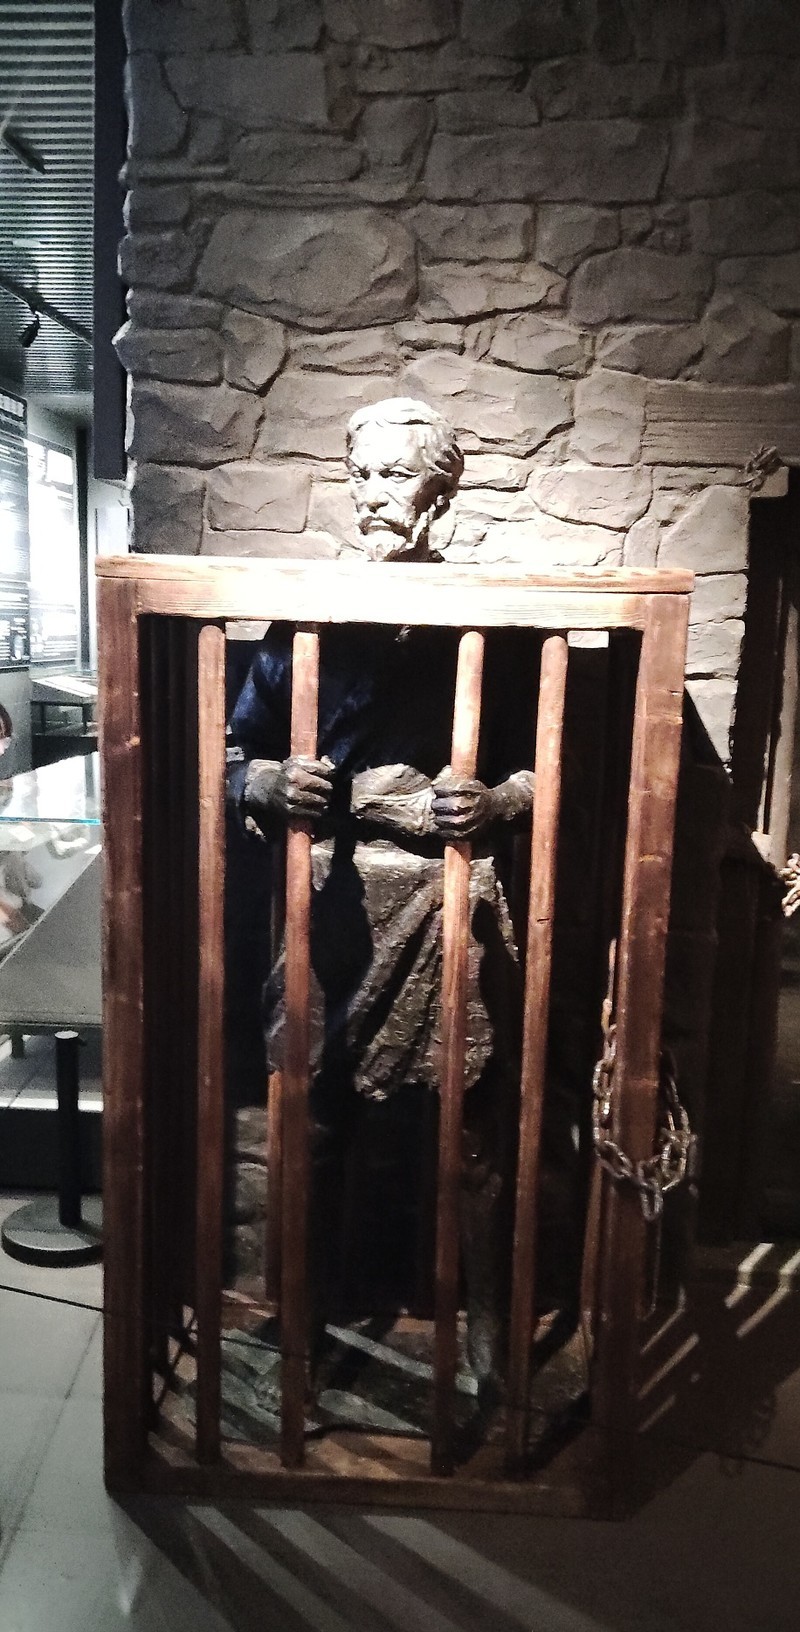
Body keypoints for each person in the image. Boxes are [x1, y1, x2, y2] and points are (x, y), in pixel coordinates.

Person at [227, 399, 539, 1413]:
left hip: (449, 898)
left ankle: (486, 1329)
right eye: (360, 475)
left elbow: (545, 765)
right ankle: (302, 1326)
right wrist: (267, 783)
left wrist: (498, 801)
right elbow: (235, 752)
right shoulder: (309, 616)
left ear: (440, 491)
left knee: (471, 1132)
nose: (372, 495)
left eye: (395, 476)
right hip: (330, 899)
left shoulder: (489, 619)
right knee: (314, 1123)